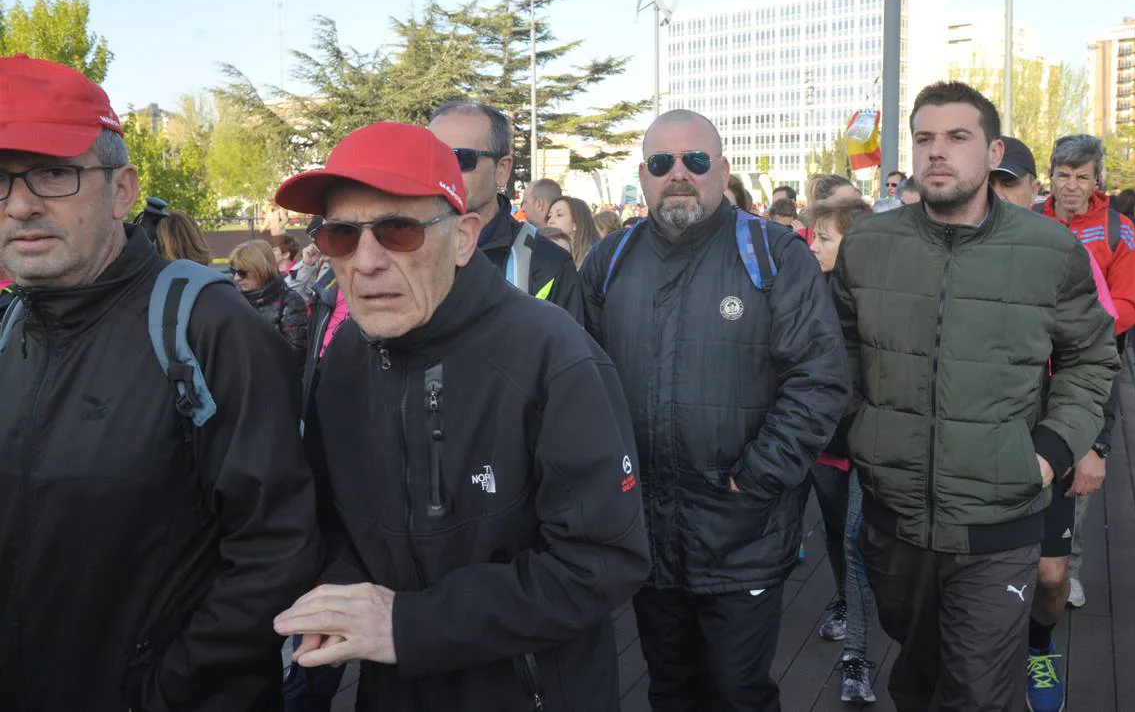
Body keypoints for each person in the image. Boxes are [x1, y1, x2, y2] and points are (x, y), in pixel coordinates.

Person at [271, 122, 649, 710]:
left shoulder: (552, 355)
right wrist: (340, 594)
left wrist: (410, 624)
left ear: (465, 237)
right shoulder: (344, 355)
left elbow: (603, 561)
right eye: (341, 235)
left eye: (398, 230)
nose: (366, 261)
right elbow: (333, 524)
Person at [0, 54, 320, 710]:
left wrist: (165, 692)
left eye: (53, 173)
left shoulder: (206, 325)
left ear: (123, 190)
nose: (21, 205)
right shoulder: (8, 325)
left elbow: (275, 547)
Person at [831, 81, 1119, 712]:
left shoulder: (1050, 251)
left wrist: (1047, 453)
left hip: (999, 521)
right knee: (915, 676)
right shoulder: (869, 245)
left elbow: (1092, 357)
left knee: (976, 691)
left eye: (958, 138)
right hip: (894, 519)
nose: (939, 152)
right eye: (925, 138)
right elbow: (841, 355)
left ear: (992, 153)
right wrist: (861, 431)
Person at [580, 109, 851, 712]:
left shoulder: (774, 254)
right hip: (645, 530)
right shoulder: (610, 260)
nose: (678, 174)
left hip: (741, 529)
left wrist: (755, 477)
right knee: (670, 688)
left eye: (695, 161)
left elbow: (820, 380)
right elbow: (580, 387)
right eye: (661, 163)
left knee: (738, 693)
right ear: (645, 176)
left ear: (721, 170)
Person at [991, 135, 1119, 712]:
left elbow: (1099, 352)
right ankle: (987, 658)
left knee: (1048, 576)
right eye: (991, 182)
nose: (999, 195)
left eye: (1010, 183)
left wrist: (1094, 442)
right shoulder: (938, 247)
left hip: (1049, 438)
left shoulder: (1068, 253)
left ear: (1030, 187)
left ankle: (1039, 646)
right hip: (973, 443)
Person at [1041, 134, 1135, 617]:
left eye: (1082, 176)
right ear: (1051, 176)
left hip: (1088, 366)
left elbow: (1125, 306)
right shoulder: (1029, 218)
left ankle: (1070, 567)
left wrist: (1070, 330)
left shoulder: (1117, 229)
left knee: (1081, 468)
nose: (1072, 186)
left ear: (1097, 178)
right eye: (1064, 175)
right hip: (1033, 365)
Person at [806, 196, 880, 705]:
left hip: (867, 438)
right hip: (822, 436)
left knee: (855, 538)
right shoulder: (808, 293)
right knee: (835, 530)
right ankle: (841, 601)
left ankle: (857, 654)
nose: (812, 245)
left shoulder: (882, 297)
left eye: (824, 237)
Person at [427, 102, 584, 323]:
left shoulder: (547, 264)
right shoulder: (392, 247)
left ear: (502, 170)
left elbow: (568, 353)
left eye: (459, 158)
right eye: (432, 157)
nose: (442, 172)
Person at [229, 238, 309, 362]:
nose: (237, 278)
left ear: (261, 270)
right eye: (233, 271)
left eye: (242, 272)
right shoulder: (234, 298)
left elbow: (296, 355)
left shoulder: (290, 301)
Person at [547, 195, 601, 268]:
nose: (550, 221)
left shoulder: (594, 258)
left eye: (559, 215)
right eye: (549, 216)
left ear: (576, 222)